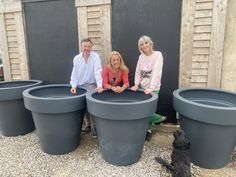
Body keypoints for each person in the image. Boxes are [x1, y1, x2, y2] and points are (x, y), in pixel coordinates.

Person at [131, 35, 166, 141]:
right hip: (142, 87)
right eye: (142, 44)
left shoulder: (158, 55)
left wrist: (151, 87)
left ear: (150, 43)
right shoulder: (141, 57)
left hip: (154, 88)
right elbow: (138, 71)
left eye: (146, 42)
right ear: (140, 47)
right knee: (143, 109)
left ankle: (157, 120)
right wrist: (136, 84)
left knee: (147, 110)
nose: (144, 45)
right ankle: (153, 123)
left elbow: (157, 72)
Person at [70, 38, 103, 137]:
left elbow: (98, 72)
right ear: (81, 46)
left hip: (91, 85)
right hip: (80, 86)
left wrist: (100, 85)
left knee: (92, 106)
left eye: (89, 46)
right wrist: (73, 86)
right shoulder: (76, 58)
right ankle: (87, 125)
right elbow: (74, 73)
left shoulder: (95, 57)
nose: (87, 48)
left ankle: (94, 127)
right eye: (85, 46)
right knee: (83, 106)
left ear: (91, 46)